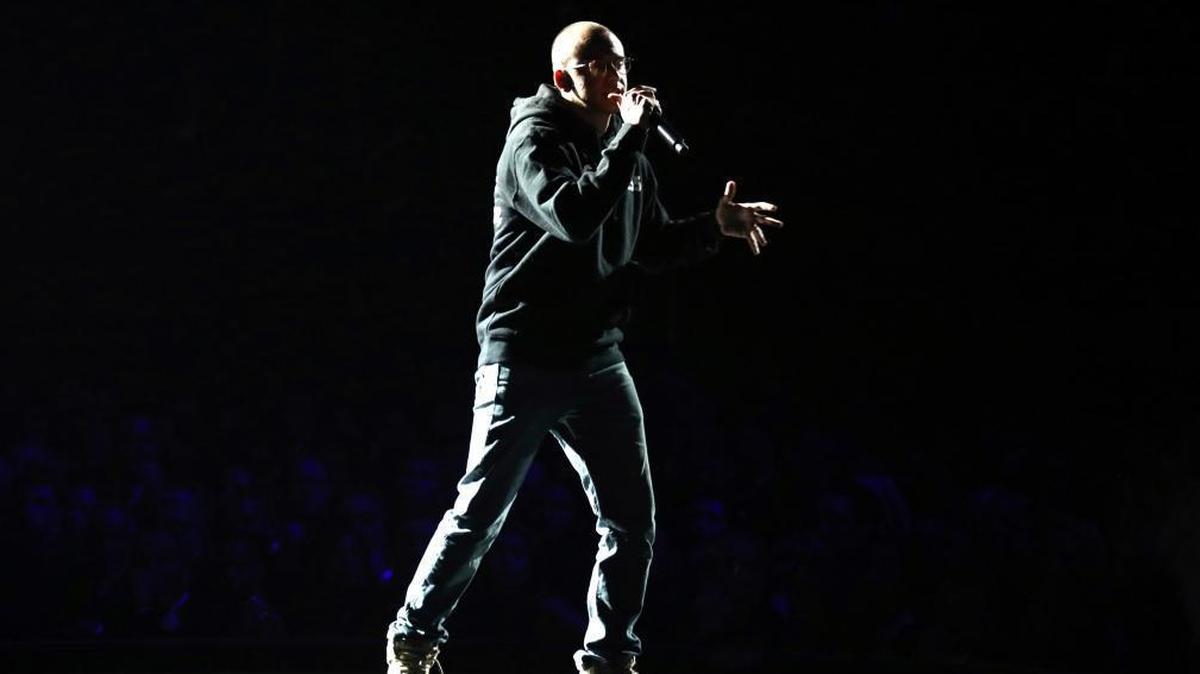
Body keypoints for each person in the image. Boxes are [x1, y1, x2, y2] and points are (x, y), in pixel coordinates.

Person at [385, 20, 783, 674]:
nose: (616, 74)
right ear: (567, 77)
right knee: (480, 511)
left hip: (597, 357)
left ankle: (609, 658)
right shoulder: (534, 141)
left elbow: (647, 245)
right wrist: (628, 137)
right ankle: (414, 631)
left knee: (632, 520)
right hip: (523, 353)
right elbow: (574, 216)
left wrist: (714, 226)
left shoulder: (630, 152)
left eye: (620, 61)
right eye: (598, 63)